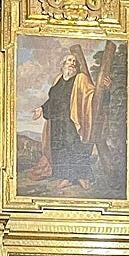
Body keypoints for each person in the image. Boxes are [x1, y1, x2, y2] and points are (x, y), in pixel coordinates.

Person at [30, 53, 102, 191]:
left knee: (75, 147)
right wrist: (41, 108)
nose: (72, 63)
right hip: (57, 122)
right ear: (63, 64)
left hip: (72, 121)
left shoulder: (80, 79)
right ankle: (67, 177)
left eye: (74, 61)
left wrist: (104, 89)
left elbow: (91, 94)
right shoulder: (58, 79)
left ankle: (83, 177)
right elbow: (52, 100)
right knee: (60, 148)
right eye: (69, 60)